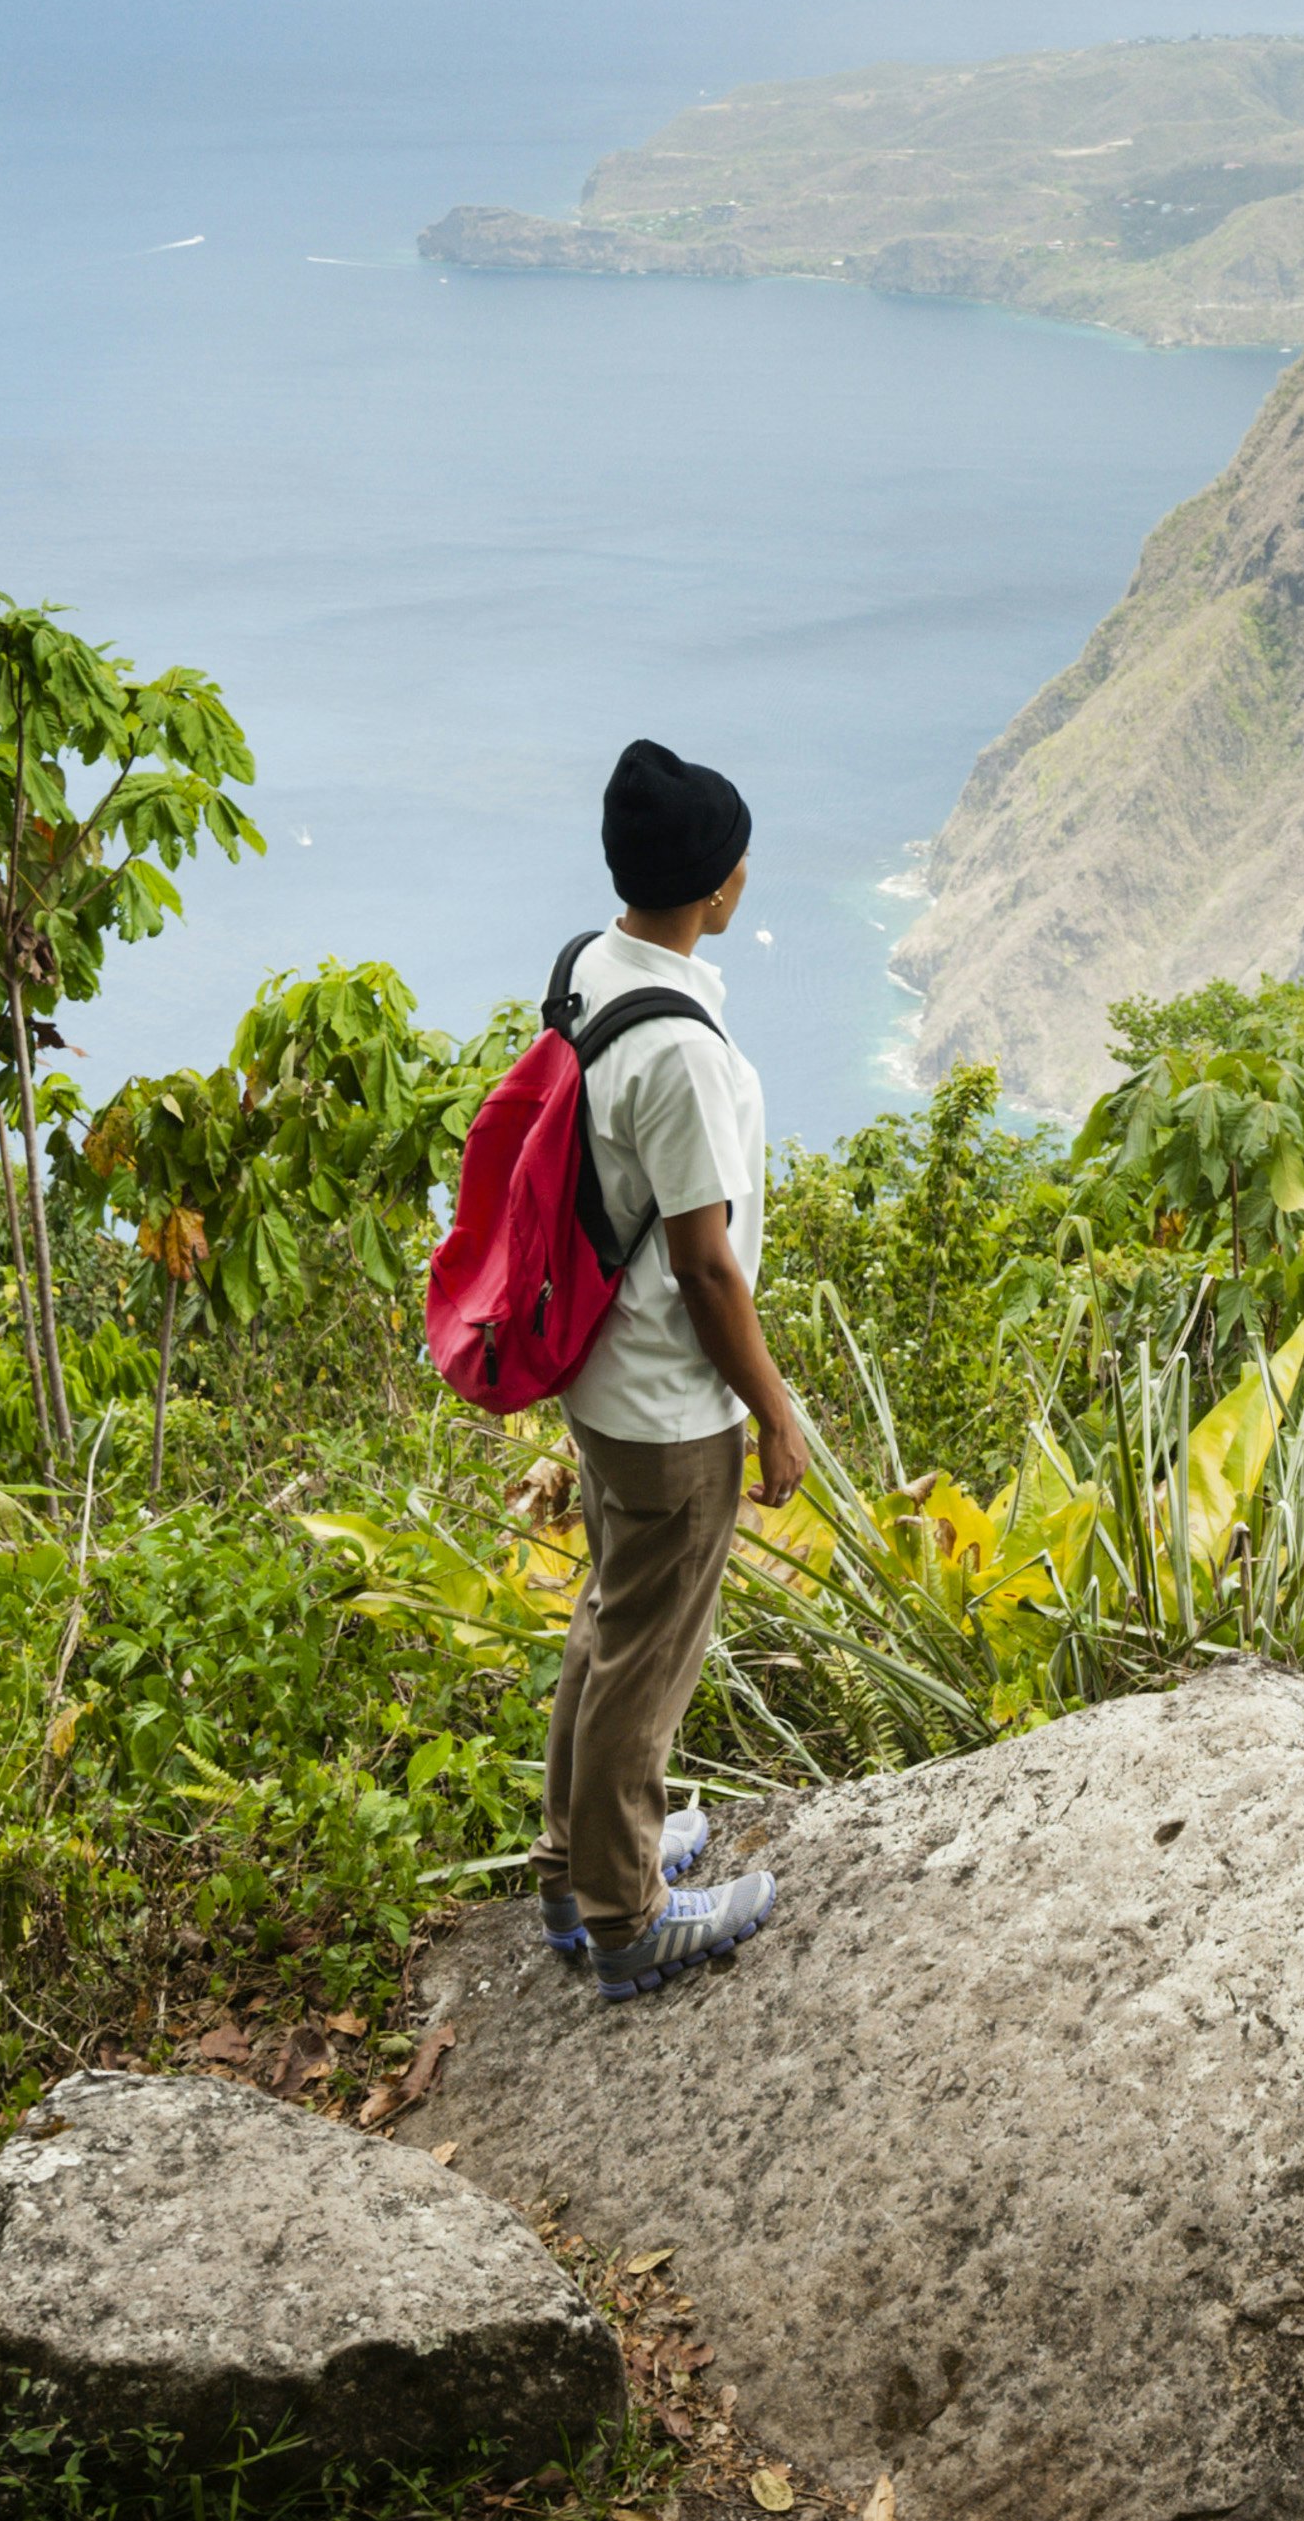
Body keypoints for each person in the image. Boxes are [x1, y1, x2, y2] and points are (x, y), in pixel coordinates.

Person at [533, 738, 821, 2003]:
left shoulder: (592, 966)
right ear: (722, 890)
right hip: (666, 1398)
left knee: (608, 1621)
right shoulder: (686, 1053)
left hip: (601, 1372)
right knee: (647, 1655)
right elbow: (707, 1268)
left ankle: (575, 1864)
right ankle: (628, 1912)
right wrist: (774, 1408)